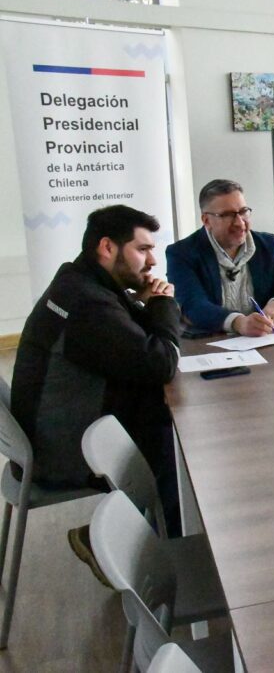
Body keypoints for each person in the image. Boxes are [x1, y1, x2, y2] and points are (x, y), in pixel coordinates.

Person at [11, 205, 182, 580]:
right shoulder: (87, 302)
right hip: (62, 453)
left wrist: (150, 306)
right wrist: (163, 304)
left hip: (53, 431)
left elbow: (135, 341)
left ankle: (122, 538)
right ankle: (162, 564)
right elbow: (160, 363)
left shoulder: (80, 282)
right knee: (175, 442)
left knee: (163, 420)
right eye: (142, 249)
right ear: (107, 247)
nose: (152, 261)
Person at [166, 179, 274, 336]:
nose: (239, 222)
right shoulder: (181, 253)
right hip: (210, 341)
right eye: (228, 215)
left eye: (243, 211)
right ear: (206, 220)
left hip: (263, 339)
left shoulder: (266, 245)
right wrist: (238, 322)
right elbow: (193, 307)